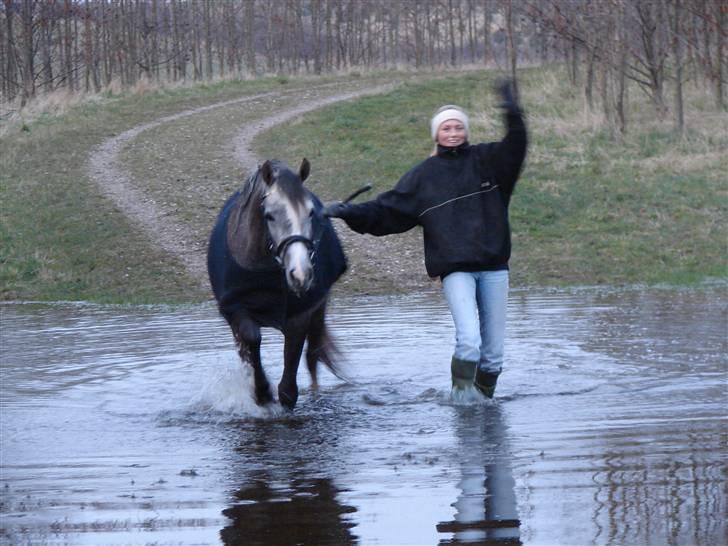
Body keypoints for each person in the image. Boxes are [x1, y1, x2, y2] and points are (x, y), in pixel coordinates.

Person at [324, 79, 527, 399]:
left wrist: (512, 111)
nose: (453, 133)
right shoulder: (423, 176)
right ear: (436, 134)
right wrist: (347, 212)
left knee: (493, 356)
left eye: (458, 127)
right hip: (455, 270)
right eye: (446, 128)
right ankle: (463, 406)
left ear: (466, 131)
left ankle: (484, 406)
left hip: (494, 268)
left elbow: (516, 145)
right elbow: (386, 209)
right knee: (469, 342)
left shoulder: (489, 161)